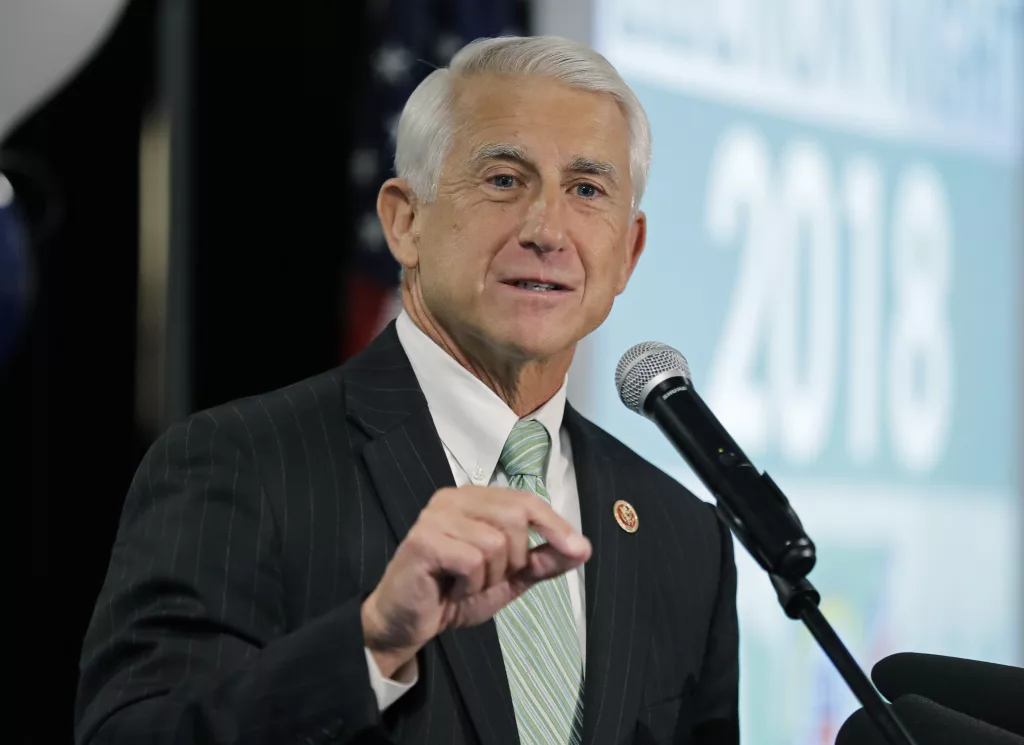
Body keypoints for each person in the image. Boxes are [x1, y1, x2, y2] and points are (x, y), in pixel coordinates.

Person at [75, 35, 739, 745]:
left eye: (586, 190)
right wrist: (371, 645)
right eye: (504, 179)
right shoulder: (240, 464)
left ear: (628, 250)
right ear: (404, 220)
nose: (548, 229)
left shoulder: (683, 537)